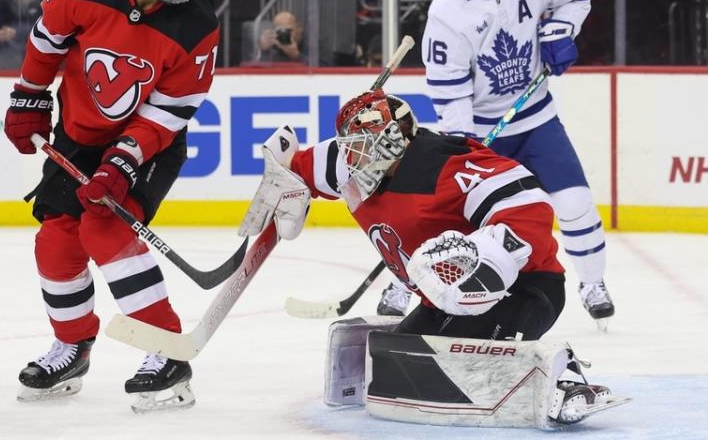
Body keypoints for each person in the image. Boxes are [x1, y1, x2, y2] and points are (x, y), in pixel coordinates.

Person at [239, 91, 620, 425]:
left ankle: (564, 381)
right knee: (392, 372)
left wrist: (485, 257)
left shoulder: (442, 165)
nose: (349, 157)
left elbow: (527, 200)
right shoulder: (349, 163)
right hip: (443, 299)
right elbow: (300, 162)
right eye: (348, 145)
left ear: (390, 140)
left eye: (358, 146)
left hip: (521, 289)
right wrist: (285, 178)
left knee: (466, 368)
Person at [3, 0, 217, 412]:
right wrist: (29, 95)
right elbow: (47, 38)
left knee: (105, 229)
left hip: (148, 144)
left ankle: (166, 353)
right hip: (78, 133)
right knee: (56, 240)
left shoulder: (198, 25)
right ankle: (72, 346)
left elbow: (169, 112)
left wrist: (122, 163)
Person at [407, 0, 613, 327]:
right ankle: (410, 284)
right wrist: (464, 140)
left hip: (537, 120)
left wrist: (558, 31)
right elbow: (449, 87)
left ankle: (593, 284)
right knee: (452, 220)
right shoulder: (448, 11)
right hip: (484, 132)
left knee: (574, 203)